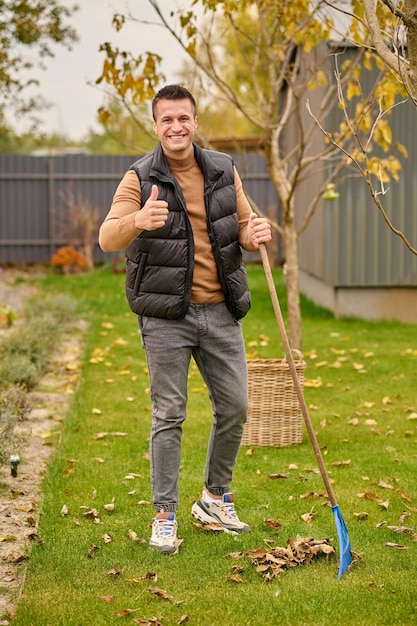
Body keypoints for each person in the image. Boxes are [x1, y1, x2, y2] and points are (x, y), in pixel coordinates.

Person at [99, 84, 272, 554]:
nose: (176, 127)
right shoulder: (139, 177)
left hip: (221, 311)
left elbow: (244, 224)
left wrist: (256, 232)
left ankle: (214, 497)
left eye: (184, 118)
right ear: (155, 126)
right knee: (169, 414)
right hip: (166, 318)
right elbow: (106, 238)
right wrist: (138, 221)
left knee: (235, 406)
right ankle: (164, 514)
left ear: (195, 122)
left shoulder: (222, 168)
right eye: (166, 120)